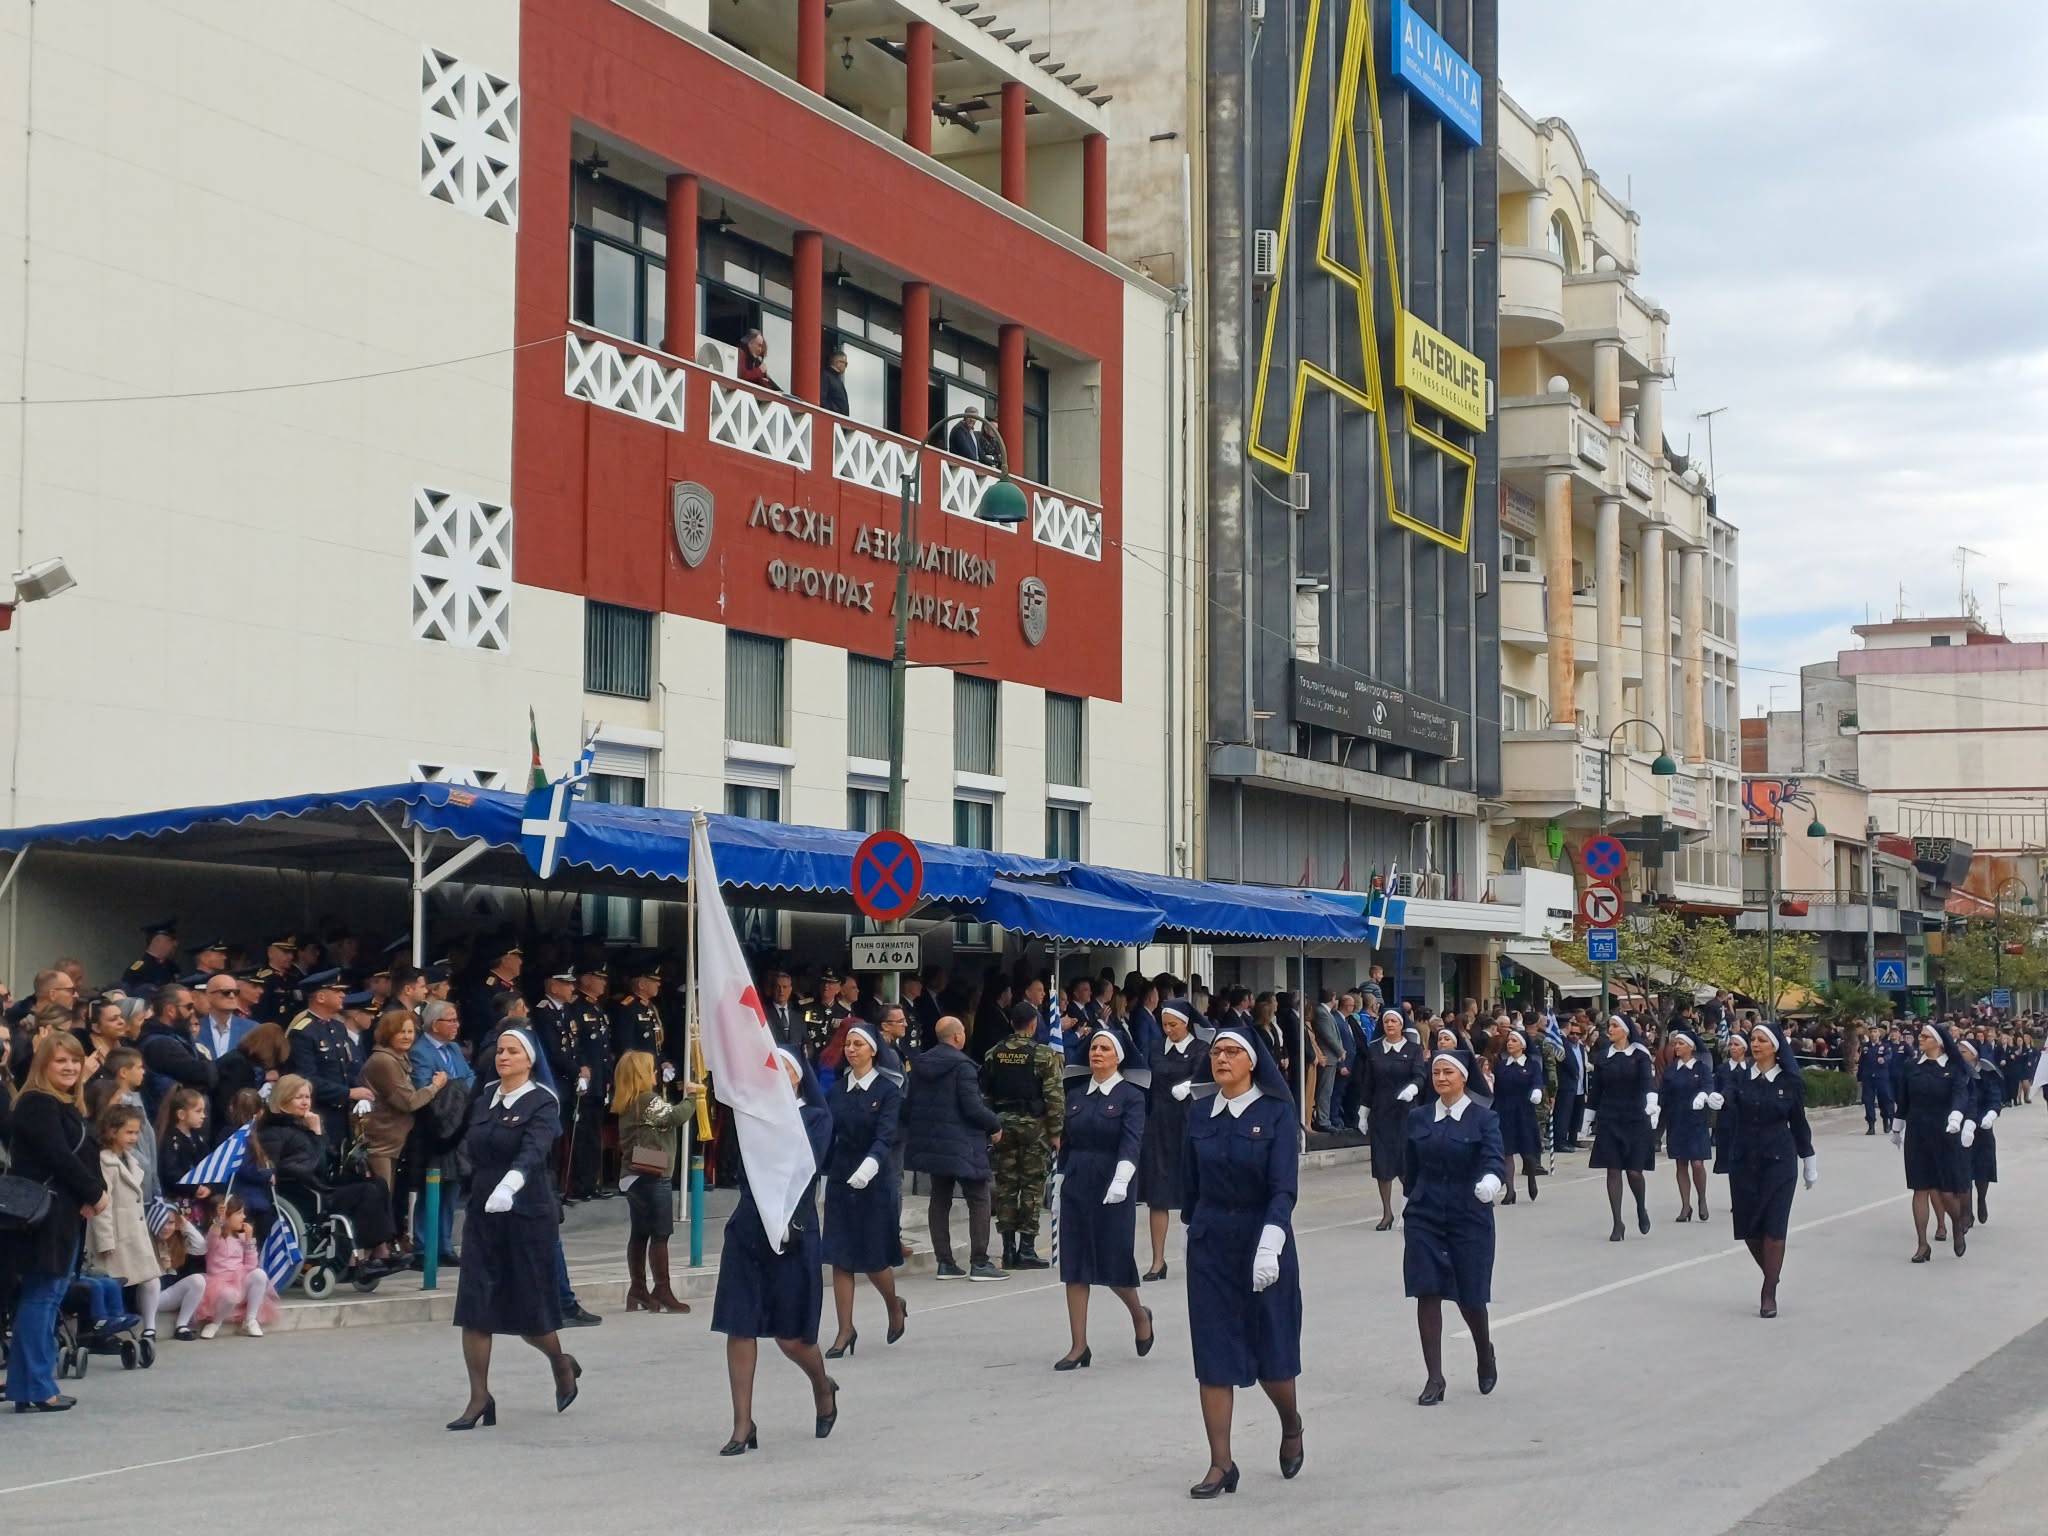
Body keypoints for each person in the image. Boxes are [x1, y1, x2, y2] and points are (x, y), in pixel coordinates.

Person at [1182, 1020, 1303, 1498]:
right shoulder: (1199, 1115)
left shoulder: (1275, 1113)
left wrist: (1271, 1240)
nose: (1222, 1060)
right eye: (1216, 1053)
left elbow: (1283, 1187)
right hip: (1212, 1242)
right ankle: (1221, 1464)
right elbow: (1189, 1183)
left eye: (1232, 1053)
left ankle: (1291, 1423)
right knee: (1213, 1354)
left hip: (1264, 1237)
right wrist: (1197, 1228)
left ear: (1252, 1062)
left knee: (1271, 1353)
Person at [449, 1028, 580, 1430]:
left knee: (530, 1312)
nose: (503, 1057)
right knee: (475, 1307)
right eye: (500, 1051)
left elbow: (534, 1149)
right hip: (483, 1209)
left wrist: (511, 1183)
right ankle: (479, 1397)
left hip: (526, 1210)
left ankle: (561, 1363)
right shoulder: (485, 1093)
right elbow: (466, 1138)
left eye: (512, 1051)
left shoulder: (543, 1100)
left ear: (529, 1059)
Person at [711, 1047, 839, 1456]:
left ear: (798, 1077)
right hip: (748, 1230)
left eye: (781, 1067)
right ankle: (742, 1424)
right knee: (740, 1327)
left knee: (792, 1339)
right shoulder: (750, 1119)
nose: (773, 1074)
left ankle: (822, 1385)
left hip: (792, 1232)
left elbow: (802, 1168)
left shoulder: (816, 1119)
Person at [7, 1034, 117, 1410]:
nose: (70, 1067)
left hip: (63, 1212)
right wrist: (94, 1193)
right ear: (42, 1065)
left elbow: (85, 1155)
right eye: (60, 1061)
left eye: (74, 1060)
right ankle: (37, 1387)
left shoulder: (64, 1103)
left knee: (46, 1297)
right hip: (44, 1216)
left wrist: (92, 1192)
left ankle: (27, 1387)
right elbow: (59, 1157)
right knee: (43, 1297)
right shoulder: (37, 1103)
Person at [1403, 1050, 1504, 1406]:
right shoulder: (1418, 1118)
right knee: (1426, 1290)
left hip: (1469, 1213)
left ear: (1464, 1077)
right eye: (1436, 1072)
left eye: (1449, 1072)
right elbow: (1409, 1165)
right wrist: (1413, 1197)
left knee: (1469, 1295)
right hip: (1425, 1213)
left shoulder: (1483, 1118)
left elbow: (1494, 1159)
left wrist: (1490, 1182)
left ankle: (1484, 1351)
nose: (1441, 1078)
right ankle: (1434, 1377)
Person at [1052, 1023, 1154, 1371]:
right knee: (1075, 1266)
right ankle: (1078, 1346)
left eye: (1104, 1049)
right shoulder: (1077, 1095)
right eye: (1094, 1048)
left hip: (1114, 1185)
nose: (1097, 1054)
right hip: (1078, 1183)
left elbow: (1132, 1140)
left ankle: (1140, 1316)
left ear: (1119, 1057)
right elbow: (1067, 1141)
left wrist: (1122, 1178)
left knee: (1113, 1263)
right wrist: (1058, 1178)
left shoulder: (1132, 1096)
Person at [822, 1024, 909, 1356]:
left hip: (875, 1177)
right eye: (848, 1044)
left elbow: (886, 1135)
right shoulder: (837, 1090)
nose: (852, 1049)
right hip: (843, 1177)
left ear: (873, 1050)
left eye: (859, 1044)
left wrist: (870, 1166)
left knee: (873, 1257)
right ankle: (845, 1329)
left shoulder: (888, 1090)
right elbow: (827, 1132)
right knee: (840, 1256)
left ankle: (893, 1304)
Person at [1723, 1021, 1816, 1318]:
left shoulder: (1790, 1083)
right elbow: (1727, 1096)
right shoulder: (1740, 1078)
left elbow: (1799, 1124)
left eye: (1762, 1039)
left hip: (1779, 1160)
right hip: (1744, 1160)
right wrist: (1713, 1100)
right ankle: (1772, 1273)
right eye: (1753, 1039)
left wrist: (1808, 1159)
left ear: (1775, 1046)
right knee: (1750, 1231)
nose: (1756, 1044)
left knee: (1774, 1228)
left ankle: (1768, 1293)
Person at [905, 1015, 1005, 1281]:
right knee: (979, 1197)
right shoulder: (963, 1067)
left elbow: (911, 1104)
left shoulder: (920, 1065)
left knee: (940, 1198)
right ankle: (980, 1262)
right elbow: (972, 1107)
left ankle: (945, 1262)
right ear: (958, 1037)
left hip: (934, 1143)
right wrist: (994, 1124)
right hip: (963, 1143)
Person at [982, 1000, 1066, 1271]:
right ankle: (1026, 1248)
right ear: (1033, 1024)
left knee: (1006, 1186)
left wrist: (991, 1125)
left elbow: (985, 1093)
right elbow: (1054, 1096)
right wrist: (1056, 1132)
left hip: (1002, 1125)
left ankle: (1007, 1248)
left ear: (1011, 1023)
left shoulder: (993, 1053)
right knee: (1031, 1186)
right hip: (1033, 1127)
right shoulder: (1042, 1054)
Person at [612, 1049, 692, 1314]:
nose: (656, 1073)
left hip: (632, 1174)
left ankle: (638, 1288)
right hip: (652, 1172)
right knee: (660, 1234)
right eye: (652, 1069)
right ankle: (662, 1289)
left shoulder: (629, 1100)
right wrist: (693, 1097)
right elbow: (674, 1116)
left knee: (640, 1233)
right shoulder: (647, 1099)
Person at [1138, 999, 1206, 1279]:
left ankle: (1198, 1257)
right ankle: (1158, 1261)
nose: (1168, 1030)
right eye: (1164, 1024)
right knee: (1158, 1195)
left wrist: (1190, 1086)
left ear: (1186, 1023)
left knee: (1196, 1193)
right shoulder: (1156, 1048)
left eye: (1173, 1025)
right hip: (1160, 1125)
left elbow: (1208, 1079)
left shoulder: (1200, 1049)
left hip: (1190, 1124)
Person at [1893, 1021, 1971, 1262]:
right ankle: (1922, 1244)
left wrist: (1957, 1116)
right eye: (1921, 1036)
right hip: (1917, 1133)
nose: (1921, 1039)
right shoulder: (1911, 1067)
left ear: (1939, 1042)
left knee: (1946, 1192)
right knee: (1920, 1189)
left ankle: (1957, 1225)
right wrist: (1897, 1127)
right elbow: (1904, 1099)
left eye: (1926, 1037)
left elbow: (1960, 1094)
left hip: (1945, 1132)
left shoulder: (1954, 1068)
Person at [88, 1103, 159, 1344]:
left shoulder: (131, 1161)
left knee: (151, 1279)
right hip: (117, 1234)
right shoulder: (104, 1162)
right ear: (111, 1131)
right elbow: (103, 1207)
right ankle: (106, 1331)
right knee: (112, 1282)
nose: (134, 1137)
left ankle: (149, 1327)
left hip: (134, 1231)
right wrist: (105, 1240)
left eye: (136, 1132)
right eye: (128, 1132)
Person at [360, 1010, 447, 1201]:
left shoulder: (400, 1056)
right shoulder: (384, 1060)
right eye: (401, 1032)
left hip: (396, 1139)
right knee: (382, 1198)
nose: (407, 1036)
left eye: (410, 1031)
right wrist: (435, 1087)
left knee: (394, 1198)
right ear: (388, 1033)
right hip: (381, 1142)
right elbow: (408, 1102)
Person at [1587, 1015, 1658, 1241]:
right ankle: (1617, 1223)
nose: (1610, 1029)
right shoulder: (1603, 1057)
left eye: (1615, 1026)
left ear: (1626, 1031)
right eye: (1610, 1025)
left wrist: (1651, 1104)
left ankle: (1640, 1207)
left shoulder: (1639, 1056)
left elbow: (1648, 1082)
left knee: (1634, 1172)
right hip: (1609, 1117)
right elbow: (1596, 1089)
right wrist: (1588, 1118)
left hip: (1636, 1117)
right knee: (1613, 1169)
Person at [287, 970, 371, 1158]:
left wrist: (359, 1091)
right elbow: (307, 1079)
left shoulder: (337, 1027)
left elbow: (345, 1067)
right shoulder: (303, 1032)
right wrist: (348, 1093)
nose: (343, 995)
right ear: (321, 997)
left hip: (342, 1114)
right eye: (337, 991)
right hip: (319, 1111)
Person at [1361, 1009, 1425, 1230]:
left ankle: (1410, 1209)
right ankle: (1387, 1213)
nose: (1389, 1025)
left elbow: (1420, 1075)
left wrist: (1413, 1088)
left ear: (1401, 1025)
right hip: (1381, 1113)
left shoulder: (1413, 1049)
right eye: (1386, 1021)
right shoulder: (1374, 1049)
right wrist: (1363, 1111)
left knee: (1406, 1162)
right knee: (1382, 1164)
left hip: (1405, 1113)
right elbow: (1368, 1082)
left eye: (1394, 1021)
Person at [192, 1195, 278, 1339]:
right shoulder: (215, 1238)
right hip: (220, 1287)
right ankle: (215, 1323)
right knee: (230, 1295)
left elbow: (251, 1266)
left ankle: (250, 1320)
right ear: (226, 1216)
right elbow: (213, 1235)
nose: (244, 1217)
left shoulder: (242, 1238)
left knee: (259, 1274)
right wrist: (219, 1219)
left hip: (240, 1283)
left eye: (243, 1213)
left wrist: (249, 1240)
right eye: (239, 1213)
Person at [1661, 1027, 1715, 1223]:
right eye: (1675, 1043)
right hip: (1676, 1121)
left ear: (1690, 1047)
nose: (1676, 1047)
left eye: (1680, 1043)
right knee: (1681, 1163)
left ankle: (1702, 1199)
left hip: (1696, 1121)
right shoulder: (1671, 1070)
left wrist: (1704, 1095)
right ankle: (1685, 1205)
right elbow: (1663, 1094)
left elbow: (1709, 1086)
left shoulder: (1701, 1068)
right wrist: (1655, 1109)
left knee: (1698, 1163)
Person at [1490, 1028, 1544, 1205]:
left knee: (1527, 1151)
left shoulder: (1531, 1065)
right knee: (1506, 1152)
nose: (1509, 1043)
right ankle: (1510, 1190)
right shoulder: (1501, 1066)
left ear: (1523, 1045)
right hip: (1504, 1111)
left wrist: (1536, 1092)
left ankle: (1531, 1176)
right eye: (1509, 1040)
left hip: (1524, 1112)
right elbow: (1495, 1088)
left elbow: (1537, 1081)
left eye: (1514, 1040)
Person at [1956, 1036, 1999, 1227]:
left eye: (1963, 1052)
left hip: (1982, 1127)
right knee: (1963, 1171)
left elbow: (1994, 1098)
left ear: (1973, 1055)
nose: (1959, 1054)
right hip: (1961, 1126)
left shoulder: (1987, 1074)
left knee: (1982, 1170)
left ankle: (1981, 1199)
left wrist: (1990, 1116)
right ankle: (1966, 1212)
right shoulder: (1958, 1073)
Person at [123, 919, 183, 991]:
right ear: (157, 942)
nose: (175, 945)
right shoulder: (139, 968)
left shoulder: (172, 966)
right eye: (170, 940)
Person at [1858, 1029, 1895, 1135]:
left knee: (1884, 1099)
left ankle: (1886, 1120)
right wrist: (1859, 1077)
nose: (1873, 1034)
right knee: (1868, 1101)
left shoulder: (1885, 1045)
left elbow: (1889, 1056)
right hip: (1868, 1077)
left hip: (1881, 1076)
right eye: (1871, 1032)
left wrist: (1884, 1059)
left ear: (1879, 1034)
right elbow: (1862, 1062)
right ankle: (1871, 1125)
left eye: (1875, 1032)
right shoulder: (1865, 1046)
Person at [737, 328, 782, 392]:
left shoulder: (753, 360)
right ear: (750, 343)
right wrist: (760, 371)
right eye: (759, 345)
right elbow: (742, 376)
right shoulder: (740, 353)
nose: (759, 349)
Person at [820, 345, 850, 415]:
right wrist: (835, 411)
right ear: (838, 363)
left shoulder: (838, 379)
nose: (846, 367)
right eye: (846, 364)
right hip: (831, 418)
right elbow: (822, 399)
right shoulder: (825, 376)